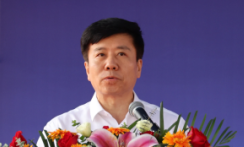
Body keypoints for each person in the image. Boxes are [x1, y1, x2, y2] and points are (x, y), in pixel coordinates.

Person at [42, 18, 181, 134]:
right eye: (101, 54)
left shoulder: (173, 127)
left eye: (121, 54)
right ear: (87, 69)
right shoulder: (59, 129)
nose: (110, 65)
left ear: (138, 67)